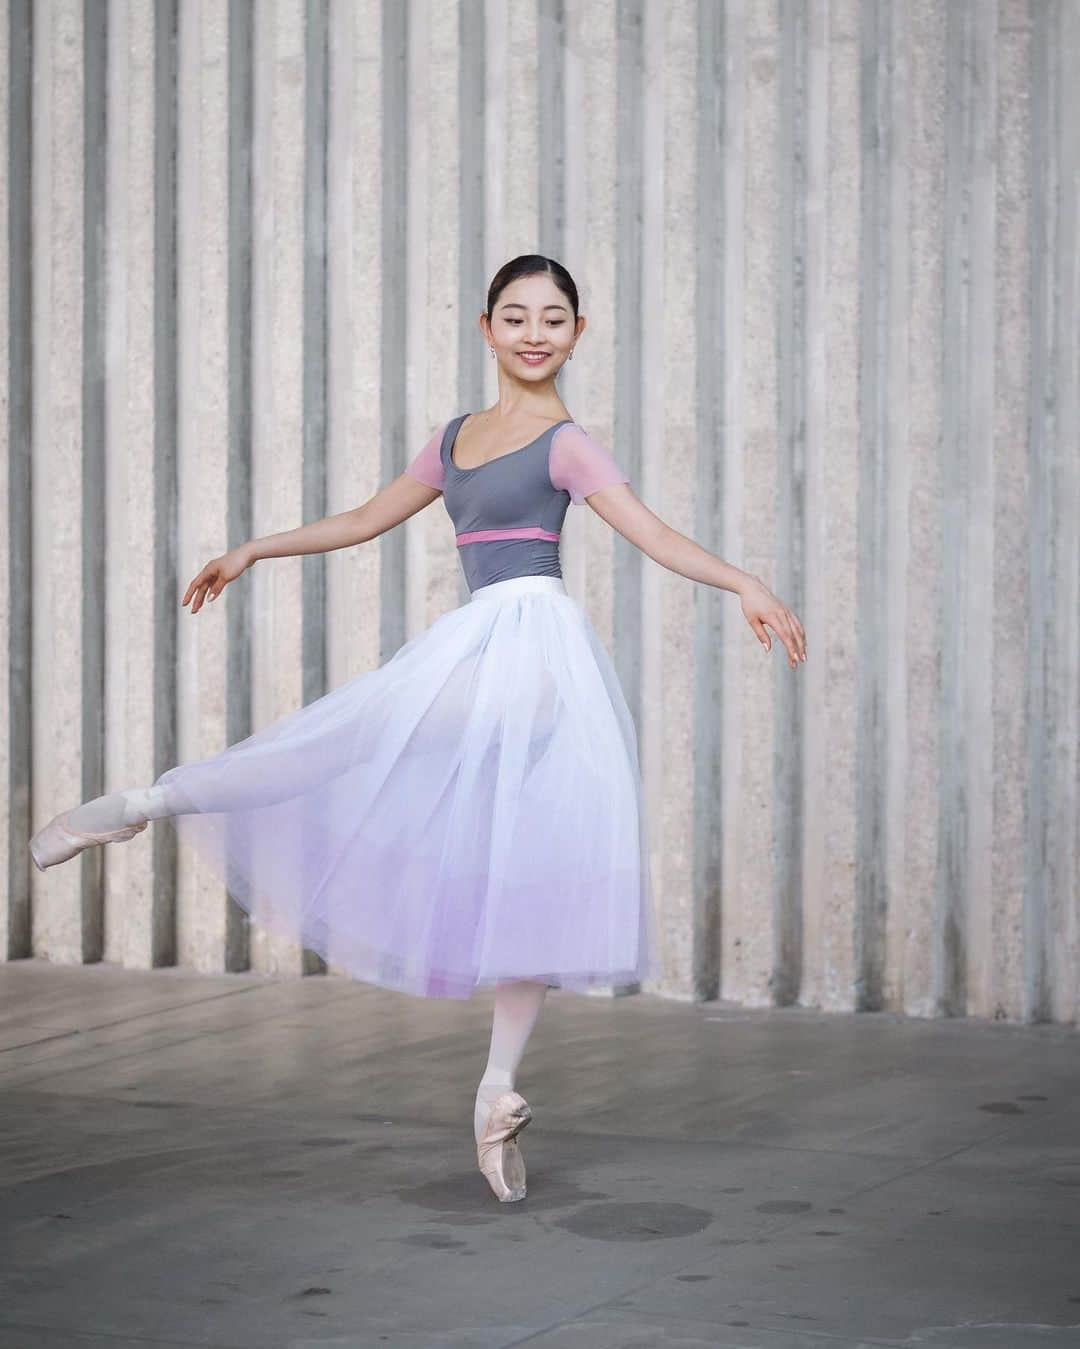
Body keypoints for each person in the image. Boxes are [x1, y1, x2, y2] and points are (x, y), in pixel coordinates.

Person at [29, 254, 807, 1202]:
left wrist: (742, 581)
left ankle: (494, 1087)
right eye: (515, 317)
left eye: (553, 318)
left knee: (516, 871)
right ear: (486, 328)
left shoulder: (570, 444)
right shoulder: (451, 442)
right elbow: (364, 518)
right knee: (391, 785)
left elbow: (651, 532)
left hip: (535, 658)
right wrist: (254, 549)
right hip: (481, 649)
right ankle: (140, 803)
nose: (534, 333)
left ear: (577, 332)